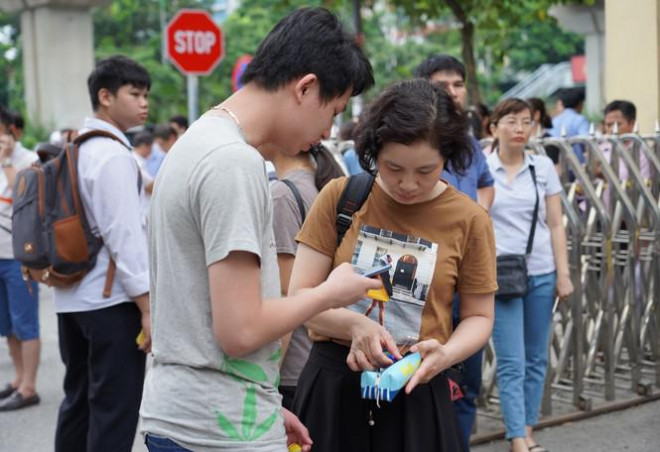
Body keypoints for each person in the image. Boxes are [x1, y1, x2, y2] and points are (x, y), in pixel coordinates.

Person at [139, 8, 379, 452]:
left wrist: (264, 405)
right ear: (306, 87)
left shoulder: (197, 141)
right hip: (216, 433)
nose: (327, 130)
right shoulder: (234, 162)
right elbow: (241, 330)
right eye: (334, 110)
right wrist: (329, 294)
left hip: (198, 415)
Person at [289, 79, 497, 452]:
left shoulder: (469, 219)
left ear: (447, 158)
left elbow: (480, 316)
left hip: (417, 385)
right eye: (393, 167)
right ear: (374, 151)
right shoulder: (341, 198)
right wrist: (354, 323)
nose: (408, 184)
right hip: (334, 384)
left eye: (425, 170)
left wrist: (446, 354)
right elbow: (299, 299)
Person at [53, 55, 152, 452]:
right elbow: (123, 235)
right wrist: (147, 306)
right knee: (114, 410)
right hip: (110, 303)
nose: (144, 102)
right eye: (135, 93)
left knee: (78, 402)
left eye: (146, 94)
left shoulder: (77, 148)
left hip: (71, 297)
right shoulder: (111, 155)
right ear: (105, 97)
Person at [414, 53, 495, 448]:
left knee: (466, 383)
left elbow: (485, 183)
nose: (452, 91)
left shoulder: (470, 144)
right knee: (423, 380)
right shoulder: (410, 141)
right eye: (441, 84)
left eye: (458, 84)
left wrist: (475, 222)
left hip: (468, 280)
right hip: (423, 281)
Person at [486, 98, 574, 452]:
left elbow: (556, 224)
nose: (520, 129)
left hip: (540, 270)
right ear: (494, 128)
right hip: (499, 274)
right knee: (511, 359)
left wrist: (563, 274)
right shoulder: (483, 168)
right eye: (511, 121)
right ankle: (516, 437)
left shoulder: (543, 168)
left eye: (527, 122)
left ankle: (527, 427)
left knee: (537, 356)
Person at [270, 145, 344, 410]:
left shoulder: (282, 195)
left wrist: (265, 379)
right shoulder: (322, 184)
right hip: (319, 359)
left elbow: (285, 295)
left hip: (292, 369)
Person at [0, 105, 41, 412]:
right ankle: (17, 379)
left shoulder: (28, 159)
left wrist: (5, 161)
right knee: (8, 324)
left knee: (26, 322)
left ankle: (29, 387)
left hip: (18, 256)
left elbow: (22, 197)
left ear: (10, 130)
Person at [549, 87, 589, 163]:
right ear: (580, 103)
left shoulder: (555, 120)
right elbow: (586, 141)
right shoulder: (580, 119)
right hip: (576, 164)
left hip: (556, 163)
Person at [527, 97, 562, 171]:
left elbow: (556, 171)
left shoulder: (549, 142)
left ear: (537, 115)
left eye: (525, 118)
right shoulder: (522, 141)